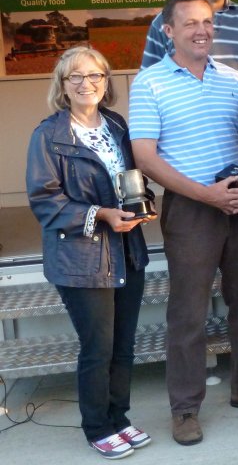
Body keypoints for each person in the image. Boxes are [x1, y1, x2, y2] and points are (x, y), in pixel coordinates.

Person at [129, 0, 238, 446]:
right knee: (188, 312)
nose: (202, 30)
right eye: (190, 23)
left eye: (207, 22)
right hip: (192, 207)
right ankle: (184, 409)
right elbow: (145, 156)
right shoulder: (150, 82)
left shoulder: (231, 77)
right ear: (169, 31)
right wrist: (207, 195)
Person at [26, 47, 153, 459]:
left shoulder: (116, 124)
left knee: (124, 344)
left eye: (95, 75)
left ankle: (119, 417)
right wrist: (101, 215)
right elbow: (45, 200)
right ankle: (97, 427)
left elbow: (131, 179)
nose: (87, 84)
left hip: (126, 248)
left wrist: (140, 204)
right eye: (75, 77)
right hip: (82, 259)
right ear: (62, 85)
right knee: (98, 347)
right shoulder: (49, 135)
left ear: (106, 80)